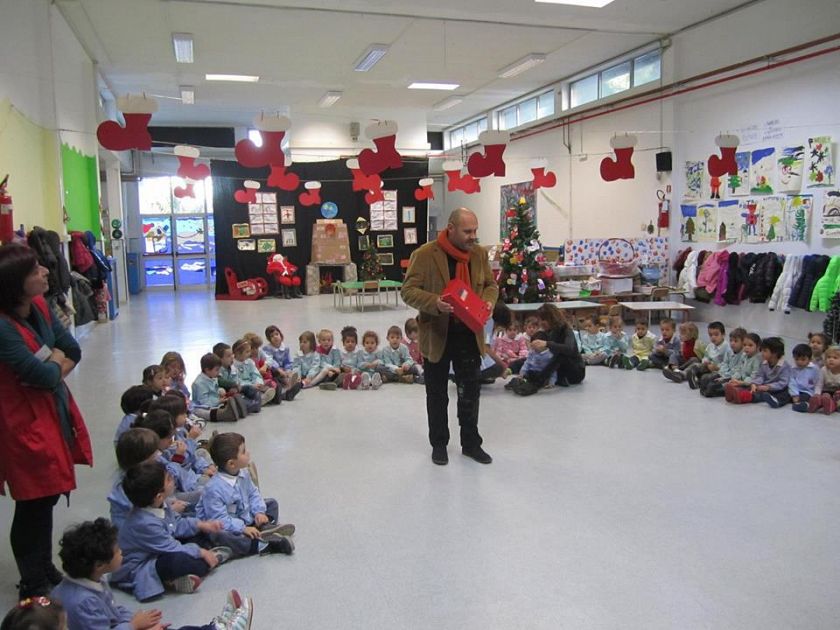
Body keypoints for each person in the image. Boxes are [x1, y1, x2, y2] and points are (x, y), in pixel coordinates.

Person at [0, 243, 93, 599]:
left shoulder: (39, 305)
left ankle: (43, 566)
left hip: (50, 411)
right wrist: (52, 369)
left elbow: (71, 350)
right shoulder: (4, 328)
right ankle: (32, 579)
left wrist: (53, 368)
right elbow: (38, 375)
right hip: (21, 421)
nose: (44, 271)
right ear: (15, 283)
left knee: (50, 492)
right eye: (35, 269)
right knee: (32, 499)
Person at [402, 208, 498, 466]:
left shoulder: (478, 254)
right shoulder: (424, 254)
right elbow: (408, 291)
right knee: (437, 394)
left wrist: (488, 302)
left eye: (475, 231)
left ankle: (471, 443)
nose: (473, 236)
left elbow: (490, 285)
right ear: (451, 228)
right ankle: (439, 444)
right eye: (468, 231)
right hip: (437, 335)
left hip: (469, 334)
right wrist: (435, 302)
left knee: (470, 392)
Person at [53, 518, 254, 630]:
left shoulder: (89, 580)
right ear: (99, 564)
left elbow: (112, 612)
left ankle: (216, 628)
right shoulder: (82, 602)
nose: (121, 551)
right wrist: (133, 626)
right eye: (117, 550)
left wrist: (137, 623)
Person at [110, 462, 232, 602]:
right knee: (179, 561)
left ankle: (186, 572)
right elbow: (172, 548)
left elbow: (176, 525)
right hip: (143, 567)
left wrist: (200, 525)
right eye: (168, 479)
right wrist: (201, 552)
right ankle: (206, 560)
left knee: (198, 534)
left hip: (158, 549)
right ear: (159, 496)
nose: (173, 478)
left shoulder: (160, 504)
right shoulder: (143, 524)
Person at [196, 433, 294, 559]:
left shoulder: (243, 473)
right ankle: (263, 545)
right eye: (243, 452)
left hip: (244, 516)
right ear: (231, 464)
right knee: (221, 535)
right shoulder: (213, 489)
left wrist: (259, 512)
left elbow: (253, 493)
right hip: (226, 525)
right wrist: (242, 528)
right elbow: (219, 520)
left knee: (272, 504)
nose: (248, 453)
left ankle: (264, 527)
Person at [532, 304, 586, 387]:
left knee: (561, 356)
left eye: (543, 319)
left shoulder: (566, 330)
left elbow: (569, 349)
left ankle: (539, 380)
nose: (541, 323)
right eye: (540, 320)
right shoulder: (547, 332)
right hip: (560, 370)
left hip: (576, 372)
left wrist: (547, 344)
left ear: (551, 319)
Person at [726, 337, 790, 406]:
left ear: (774, 353)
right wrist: (755, 384)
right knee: (751, 389)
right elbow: (760, 376)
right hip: (764, 387)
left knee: (786, 392)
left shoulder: (784, 366)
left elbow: (783, 382)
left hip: (777, 388)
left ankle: (776, 401)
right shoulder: (765, 363)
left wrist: (769, 387)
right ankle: (739, 396)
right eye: (761, 350)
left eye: (765, 351)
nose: (762, 353)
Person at [191, 353, 243, 422]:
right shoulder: (199, 383)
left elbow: (214, 390)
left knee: (227, 403)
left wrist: (220, 391)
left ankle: (234, 410)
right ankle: (224, 414)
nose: (218, 373)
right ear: (207, 370)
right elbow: (204, 401)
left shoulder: (212, 377)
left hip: (216, 403)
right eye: (217, 370)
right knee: (199, 412)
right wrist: (218, 401)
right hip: (203, 406)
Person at [213, 343, 261, 414]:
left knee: (250, 389)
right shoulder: (218, 370)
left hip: (236, 389)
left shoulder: (232, 367)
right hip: (226, 393)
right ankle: (250, 405)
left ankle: (253, 402)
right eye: (229, 356)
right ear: (220, 359)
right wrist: (234, 385)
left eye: (232, 354)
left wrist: (238, 387)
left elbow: (237, 380)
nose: (232, 357)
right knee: (238, 398)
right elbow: (219, 381)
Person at [698, 327, 746, 397]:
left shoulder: (744, 355)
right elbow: (725, 363)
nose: (732, 343)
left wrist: (724, 378)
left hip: (733, 378)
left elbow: (738, 371)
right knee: (705, 378)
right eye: (731, 340)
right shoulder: (729, 351)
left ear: (743, 343)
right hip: (724, 374)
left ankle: (719, 391)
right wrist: (720, 374)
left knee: (712, 387)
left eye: (735, 341)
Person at [505, 331, 555, 395]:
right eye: (533, 346)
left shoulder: (549, 355)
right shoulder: (532, 352)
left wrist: (552, 382)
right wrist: (522, 373)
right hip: (531, 372)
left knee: (535, 383)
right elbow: (527, 363)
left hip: (541, 376)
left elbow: (553, 370)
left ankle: (526, 389)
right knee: (522, 378)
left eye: (536, 346)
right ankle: (519, 383)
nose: (534, 348)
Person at [686, 322, 731, 389]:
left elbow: (727, 364)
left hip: (719, 371)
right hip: (708, 367)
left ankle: (699, 380)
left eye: (716, 335)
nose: (713, 337)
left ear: (723, 334)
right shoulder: (710, 346)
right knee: (695, 366)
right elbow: (706, 356)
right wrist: (705, 361)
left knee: (706, 378)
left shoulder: (727, 348)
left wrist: (717, 367)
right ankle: (687, 375)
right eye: (710, 335)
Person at [232, 339, 276, 406]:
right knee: (249, 391)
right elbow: (237, 381)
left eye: (249, 351)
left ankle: (267, 397)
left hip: (254, 384)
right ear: (238, 353)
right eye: (247, 352)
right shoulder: (233, 365)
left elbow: (256, 374)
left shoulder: (250, 362)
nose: (250, 354)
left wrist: (258, 383)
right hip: (244, 387)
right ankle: (260, 400)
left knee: (269, 385)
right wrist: (251, 385)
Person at [262, 325, 302, 401]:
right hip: (273, 371)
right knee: (278, 378)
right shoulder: (267, 349)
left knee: (289, 374)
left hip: (283, 371)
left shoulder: (285, 349)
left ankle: (290, 386)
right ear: (269, 339)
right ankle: (287, 388)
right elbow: (270, 360)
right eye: (272, 336)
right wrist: (278, 369)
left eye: (277, 334)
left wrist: (288, 370)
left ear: (281, 335)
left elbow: (288, 361)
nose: (275, 337)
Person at [808, 345, 840, 414]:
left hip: (837, 394)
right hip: (826, 392)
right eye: (828, 357)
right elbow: (819, 384)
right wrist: (817, 394)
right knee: (824, 396)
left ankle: (831, 406)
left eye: (835, 358)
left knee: (838, 395)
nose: (831, 359)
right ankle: (817, 402)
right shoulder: (823, 369)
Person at [788, 344, 819, 412]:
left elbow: (817, 383)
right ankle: (777, 401)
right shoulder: (793, 368)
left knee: (805, 397)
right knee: (785, 395)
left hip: (807, 391)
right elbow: (792, 382)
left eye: (803, 359)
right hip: (796, 390)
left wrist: (816, 394)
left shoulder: (814, 369)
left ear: (809, 359)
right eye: (796, 359)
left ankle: (805, 405)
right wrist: (794, 394)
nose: (799, 362)